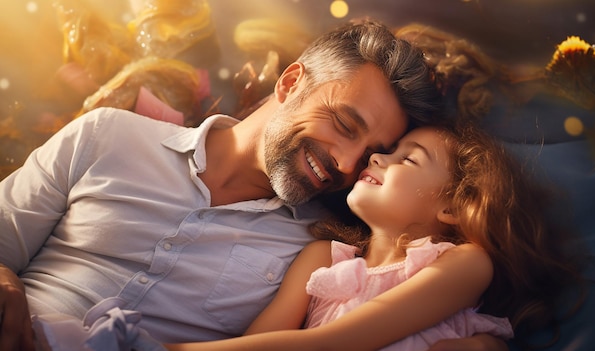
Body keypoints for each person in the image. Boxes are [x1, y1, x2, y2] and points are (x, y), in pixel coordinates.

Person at [0, 20, 505, 351]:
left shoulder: (322, 251)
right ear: (289, 84)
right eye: (345, 125)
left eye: (374, 149)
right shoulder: (108, 134)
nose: (348, 162)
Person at [164, 123, 584, 351]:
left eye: (408, 159)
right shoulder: (321, 261)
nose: (378, 157)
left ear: (452, 208)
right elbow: (260, 343)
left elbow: (339, 342)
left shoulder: (464, 263)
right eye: (390, 149)